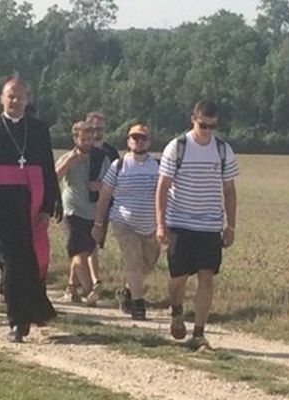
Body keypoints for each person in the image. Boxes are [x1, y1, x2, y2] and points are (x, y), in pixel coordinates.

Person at [0, 78, 59, 342]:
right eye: (10, 96)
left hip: (30, 202)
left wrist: (48, 205)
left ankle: (22, 319)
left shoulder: (39, 130)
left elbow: (47, 168)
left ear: (27, 99)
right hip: (0, 203)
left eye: (20, 96)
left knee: (27, 263)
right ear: (1, 99)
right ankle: (23, 316)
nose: (15, 101)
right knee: (10, 264)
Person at [156, 99, 238, 350]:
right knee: (178, 277)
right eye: (203, 125)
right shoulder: (177, 147)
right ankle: (177, 311)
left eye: (212, 126)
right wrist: (160, 224)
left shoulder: (223, 150)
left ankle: (199, 332)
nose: (207, 131)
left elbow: (229, 190)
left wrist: (230, 225)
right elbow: (163, 187)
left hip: (210, 225)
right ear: (193, 120)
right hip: (180, 222)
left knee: (207, 277)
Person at [92, 121, 160, 320]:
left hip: (151, 226)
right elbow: (105, 195)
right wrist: (98, 223)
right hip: (123, 222)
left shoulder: (157, 166)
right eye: (135, 138)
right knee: (133, 261)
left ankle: (128, 292)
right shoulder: (119, 165)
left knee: (147, 263)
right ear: (128, 141)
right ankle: (139, 305)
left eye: (143, 138)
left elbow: (166, 194)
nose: (139, 142)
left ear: (149, 142)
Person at [55, 121, 109, 306]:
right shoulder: (68, 157)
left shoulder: (100, 158)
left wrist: (100, 185)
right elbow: (54, 178)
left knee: (84, 251)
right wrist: (69, 163)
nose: (87, 143)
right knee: (79, 251)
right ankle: (90, 292)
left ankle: (71, 289)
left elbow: (111, 182)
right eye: (83, 139)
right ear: (75, 138)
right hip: (72, 210)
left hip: (92, 211)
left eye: (90, 139)